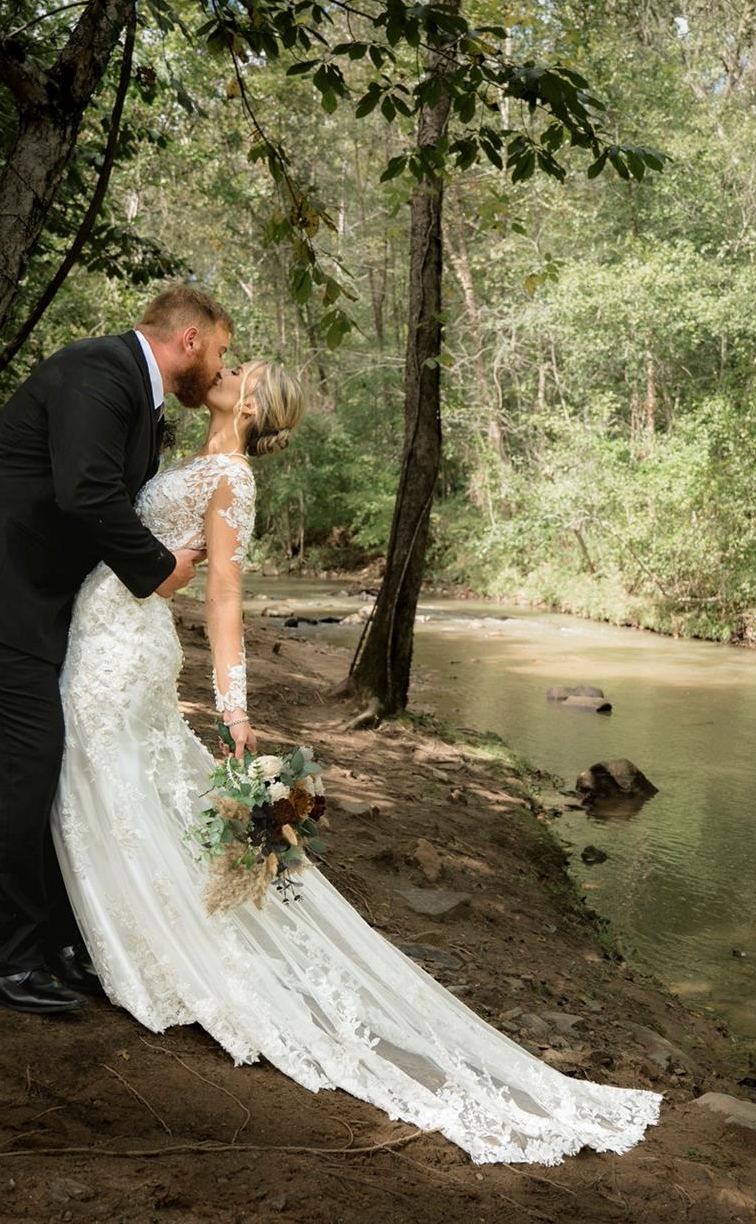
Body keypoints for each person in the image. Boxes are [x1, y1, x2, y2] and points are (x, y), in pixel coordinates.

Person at [52, 358, 667, 1165]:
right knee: (112, 783)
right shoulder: (189, 459)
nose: (226, 368)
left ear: (255, 405)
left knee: (118, 777)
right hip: (101, 626)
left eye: (243, 369)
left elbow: (226, 594)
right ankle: (108, 934)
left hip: (127, 646)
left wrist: (235, 706)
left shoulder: (231, 479)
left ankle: (146, 950)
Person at [0, 284, 232, 1015]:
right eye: (222, 352)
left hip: (23, 605)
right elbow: (85, 492)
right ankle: (1, 960)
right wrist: (158, 570)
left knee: (47, 764)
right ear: (191, 339)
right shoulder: (99, 371)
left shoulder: (137, 400)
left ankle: (52, 942)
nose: (219, 368)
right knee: (24, 766)